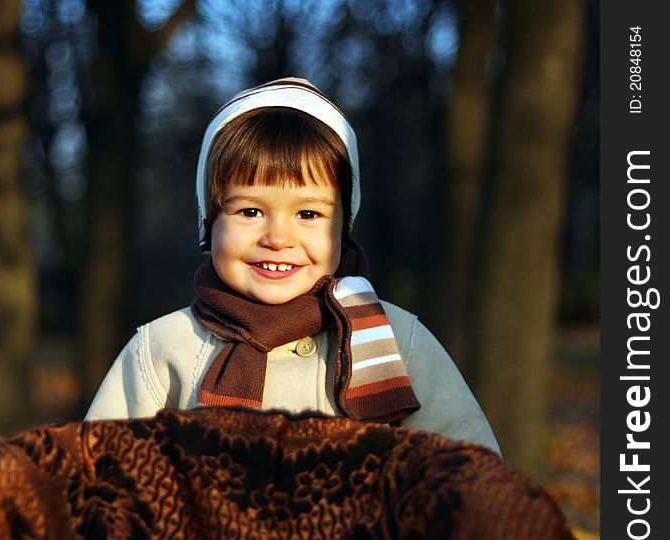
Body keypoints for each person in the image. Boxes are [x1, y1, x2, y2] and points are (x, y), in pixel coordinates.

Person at [85, 77, 500, 455]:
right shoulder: (164, 348)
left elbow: (473, 478)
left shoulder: (396, 341)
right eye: (249, 211)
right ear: (209, 223)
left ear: (343, 227)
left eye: (308, 215)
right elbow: (95, 480)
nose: (278, 238)